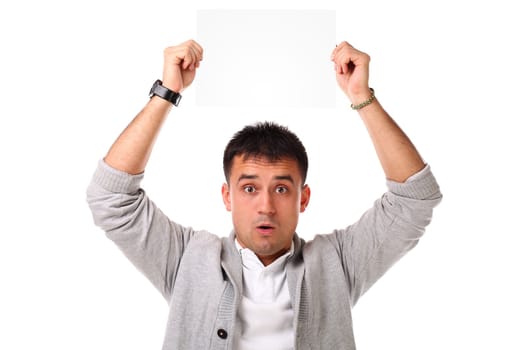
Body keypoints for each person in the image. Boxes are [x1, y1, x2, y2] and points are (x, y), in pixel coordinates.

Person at [86, 39, 442, 350]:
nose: (266, 206)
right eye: (250, 188)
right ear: (227, 196)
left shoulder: (338, 263)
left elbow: (415, 199)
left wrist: (362, 98)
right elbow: (111, 199)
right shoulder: (187, 260)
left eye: (282, 189)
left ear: (303, 199)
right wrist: (167, 91)